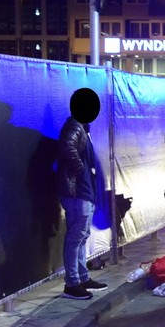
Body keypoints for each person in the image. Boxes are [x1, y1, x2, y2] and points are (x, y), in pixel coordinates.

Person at [57, 88, 108, 300]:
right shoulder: (74, 126)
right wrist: (80, 171)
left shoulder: (80, 126)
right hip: (77, 192)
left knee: (81, 235)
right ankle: (72, 283)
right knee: (75, 237)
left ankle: (82, 277)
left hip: (83, 191)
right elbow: (67, 148)